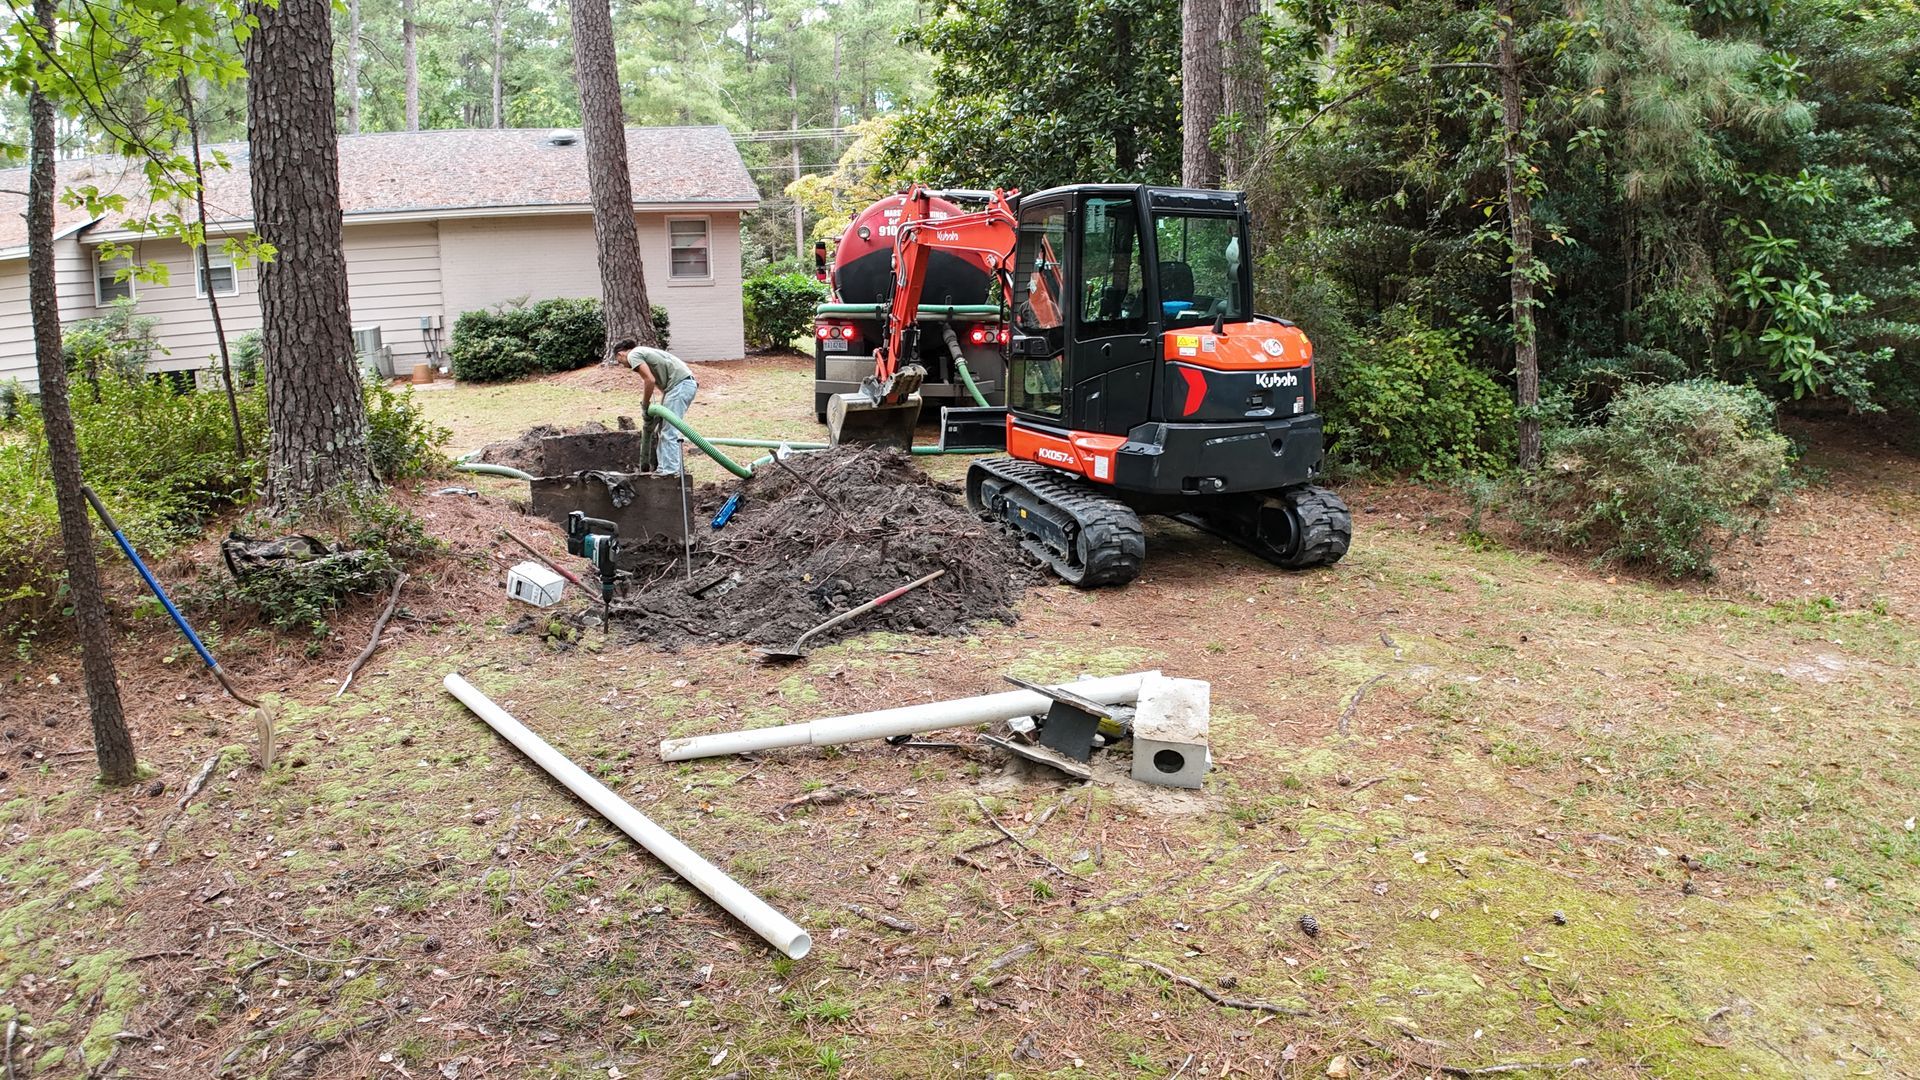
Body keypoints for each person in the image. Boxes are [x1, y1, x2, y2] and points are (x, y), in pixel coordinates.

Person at [609, 338, 697, 474]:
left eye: (620, 362)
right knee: (663, 430)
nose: (623, 366)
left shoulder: (633, 355)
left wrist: (645, 404)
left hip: (680, 386)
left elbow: (649, 380)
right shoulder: (644, 352)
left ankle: (671, 471)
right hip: (679, 386)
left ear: (620, 354)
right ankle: (663, 468)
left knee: (669, 431)